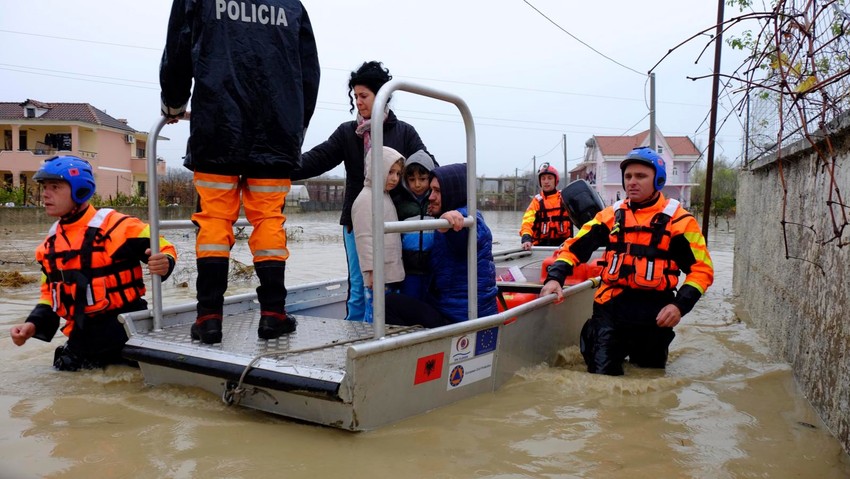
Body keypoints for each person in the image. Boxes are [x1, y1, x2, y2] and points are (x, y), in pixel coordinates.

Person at [159, 0, 320, 344]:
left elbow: (178, 50)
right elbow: (309, 74)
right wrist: (295, 126)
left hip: (217, 128)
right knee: (268, 220)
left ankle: (209, 318)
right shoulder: (291, 5)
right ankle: (274, 314)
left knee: (215, 220)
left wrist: (173, 104)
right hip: (276, 133)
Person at [539, 147, 714, 376]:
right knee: (601, 380)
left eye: (641, 176)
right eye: (628, 176)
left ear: (658, 180)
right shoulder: (611, 215)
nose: (632, 182)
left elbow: (702, 270)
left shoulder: (680, 222)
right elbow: (574, 248)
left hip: (655, 317)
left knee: (650, 381)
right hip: (610, 311)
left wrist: (679, 306)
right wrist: (555, 278)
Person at [9, 156, 177, 371]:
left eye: (55, 187)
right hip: (81, 338)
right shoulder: (49, 246)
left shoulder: (117, 226)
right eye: (44, 187)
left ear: (80, 189)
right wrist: (32, 324)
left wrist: (165, 262)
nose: (45, 194)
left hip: (124, 333)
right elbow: (49, 295)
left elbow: (164, 246)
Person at [292, 61, 429, 322]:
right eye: (355, 96)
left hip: (396, 221)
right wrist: (272, 167)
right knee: (358, 288)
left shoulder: (404, 133)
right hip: (358, 223)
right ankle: (353, 340)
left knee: (395, 281)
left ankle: (388, 333)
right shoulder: (347, 133)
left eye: (364, 96)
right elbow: (315, 159)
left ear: (382, 96)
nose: (359, 102)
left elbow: (426, 164)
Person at [386, 163, 498, 328]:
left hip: (458, 319)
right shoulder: (473, 215)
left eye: (437, 191)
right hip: (456, 310)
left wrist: (452, 220)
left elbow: (461, 240)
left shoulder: (467, 221)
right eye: (431, 190)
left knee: (388, 303)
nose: (430, 196)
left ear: (453, 191)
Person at [351, 147, 406, 323]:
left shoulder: (384, 196)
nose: (395, 178)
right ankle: (371, 345)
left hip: (390, 272)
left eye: (398, 174)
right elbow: (364, 238)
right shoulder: (366, 199)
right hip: (378, 275)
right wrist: (372, 271)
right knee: (375, 316)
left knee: (389, 314)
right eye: (390, 172)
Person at [393, 149, 437, 300]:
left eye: (423, 179)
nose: (417, 184)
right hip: (408, 269)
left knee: (431, 306)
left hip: (433, 267)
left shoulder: (436, 202)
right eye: (412, 180)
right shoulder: (400, 203)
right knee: (410, 305)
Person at [519, 162, 572, 250]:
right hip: (540, 248)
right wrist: (526, 239)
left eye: (550, 178)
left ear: (556, 180)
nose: (546, 181)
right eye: (543, 179)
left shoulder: (565, 199)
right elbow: (527, 223)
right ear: (540, 182)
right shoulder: (536, 201)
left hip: (564, 249)